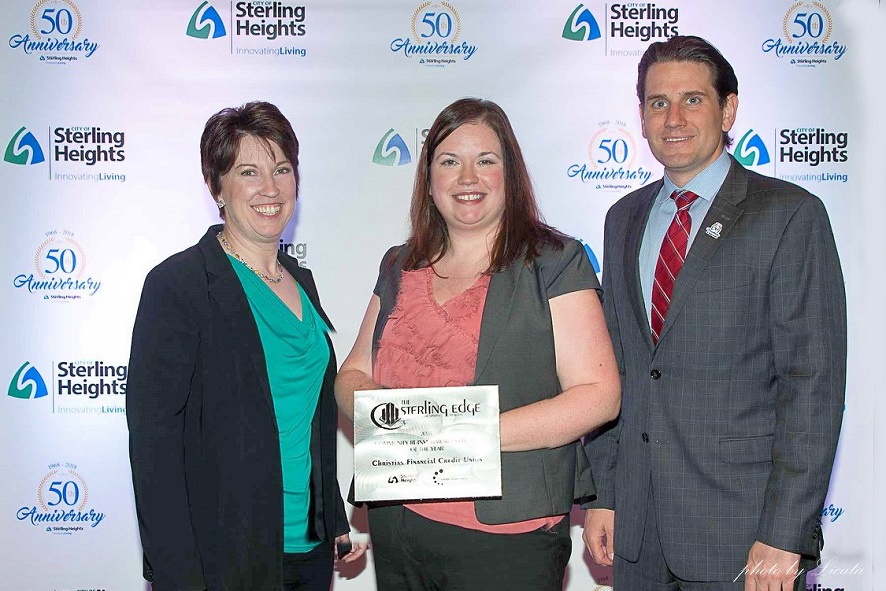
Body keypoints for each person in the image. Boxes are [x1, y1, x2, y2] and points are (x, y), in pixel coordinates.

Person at [583, 36, 846, 591]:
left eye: (692, 100)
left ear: (728, 109)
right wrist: (605, 493)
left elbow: (812, 385)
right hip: (638, 533)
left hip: (744, 532)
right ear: (641, 115)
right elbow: (613, 368)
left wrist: (786, 532)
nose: (672, 118)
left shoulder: (789, 215)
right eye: (657, 103)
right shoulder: (621, 218)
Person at [335, 97, 621, 591]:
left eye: (485, 160)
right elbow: (351, 375)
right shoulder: (399, 264)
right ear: (429, 178)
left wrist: (461, 437)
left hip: (507, 537)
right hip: (397, 524)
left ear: (510, 173)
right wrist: (396, 428)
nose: (468, 177)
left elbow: (599, 394)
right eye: (450, 161)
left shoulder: (555, 261)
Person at [127, 101, 364, 591]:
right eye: (248, 172)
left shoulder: (302, 283)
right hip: (223, 554)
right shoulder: (181, 285)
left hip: (309, 550)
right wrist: (177, 575)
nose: (271, 189)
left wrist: (334, 516)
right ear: (217, 187)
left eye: (282, 169)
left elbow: (310, 420)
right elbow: (154, 445)